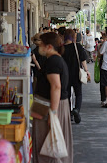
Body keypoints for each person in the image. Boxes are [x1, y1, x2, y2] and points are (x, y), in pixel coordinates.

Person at [32, 32, 73, 163]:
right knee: (47, 142)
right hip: (46, 104)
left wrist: (53, 112)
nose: (39, 47)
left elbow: (56, 87)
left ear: (49, 46)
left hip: (50, 105)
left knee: (48, 144)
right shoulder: (54, 60)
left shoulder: (54, 61)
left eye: (41, 45)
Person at [62, 29, 90, 124]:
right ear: (74, 36)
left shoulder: (61, 48)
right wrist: (86, 71)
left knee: (67, 95)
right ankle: (77, 109)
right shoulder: (77, 46)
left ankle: (69, 113)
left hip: (65, 75)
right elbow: (83, 60)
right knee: (78, 94)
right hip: (76, 74)